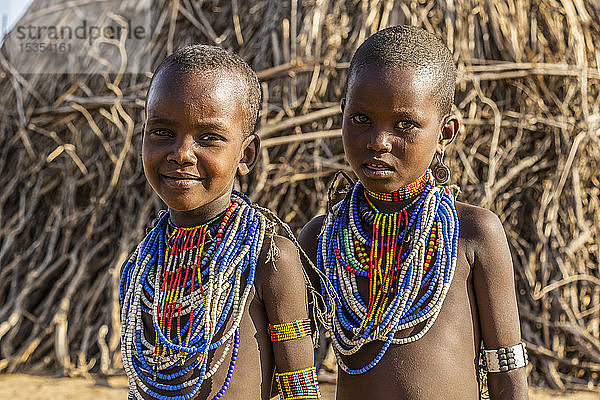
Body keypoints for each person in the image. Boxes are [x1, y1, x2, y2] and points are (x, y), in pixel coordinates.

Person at [298, 26, 529, 400]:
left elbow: (508, 376)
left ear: (445, 132)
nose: (377, 141)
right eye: (360, 119)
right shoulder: (321, 240)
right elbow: (293, 364)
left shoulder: (473, 233)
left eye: (405, 125)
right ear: (342, 114)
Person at [120, 44, 321, 400]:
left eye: (208, 138)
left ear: (246, 155)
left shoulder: (270, 260)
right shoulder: (141, 270)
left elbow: (300, 391)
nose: (181, 153)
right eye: (163, 132)